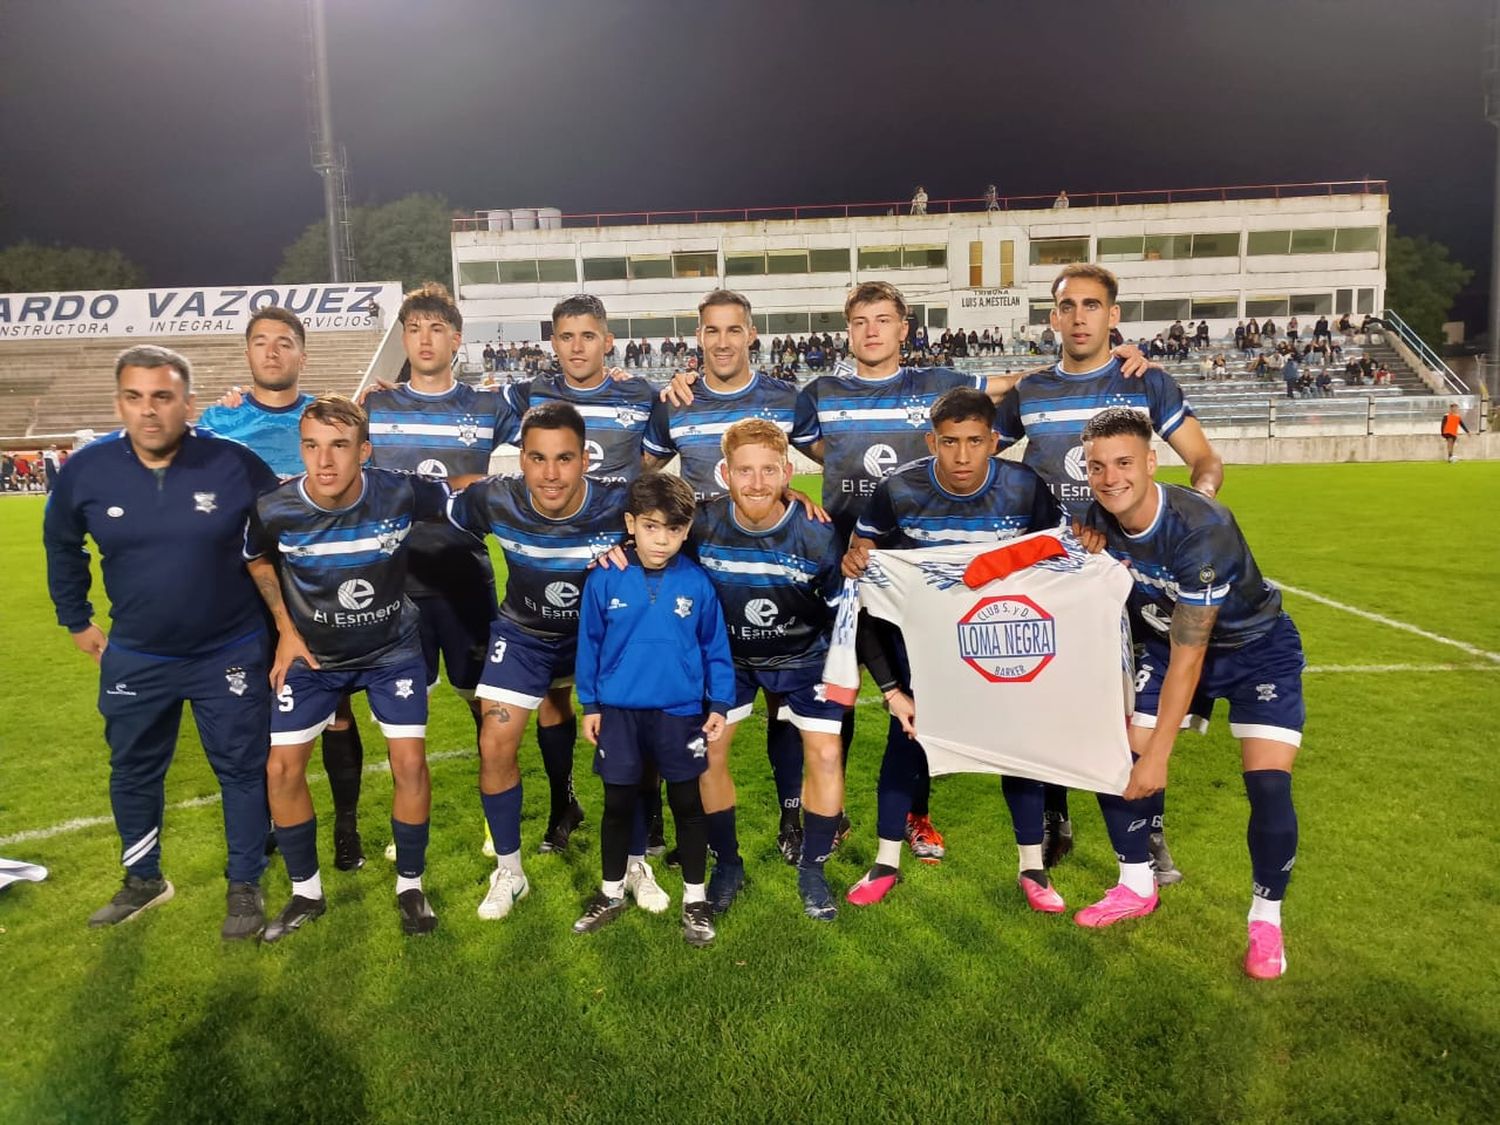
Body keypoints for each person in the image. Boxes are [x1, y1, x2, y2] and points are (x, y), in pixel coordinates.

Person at [994, 263, 1224, 880]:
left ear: (1113, 315)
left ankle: (1148, 834)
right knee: (1048, 702)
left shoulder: (1144, 382)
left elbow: (1203, 459)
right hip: (1054, 576)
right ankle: (1054, 818)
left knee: (1136, 710)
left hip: (1133, 580)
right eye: (1066, 306)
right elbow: (968, 443)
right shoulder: (1031, 393)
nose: (1078, 317)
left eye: (1091, 305)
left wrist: (1196, 516)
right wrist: (1001, 383)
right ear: (1053, 317)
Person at [42, 345, 280, 939]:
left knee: (242, 769)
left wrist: (286, 626)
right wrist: (76, 618)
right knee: (133, 771)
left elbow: (282, 539)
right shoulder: (86, 470)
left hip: (230, 647)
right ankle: (144, 879)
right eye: (135, 396)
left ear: (187, 403)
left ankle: (244, 884)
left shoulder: (236, 464)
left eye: (162, 396)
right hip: (139, 654)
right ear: (119, 402)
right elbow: (62, 543)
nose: (149, 411)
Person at [1079, 407, 1305, 980]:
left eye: (1125, 463)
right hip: (1164, 643)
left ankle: (1265, 919)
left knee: (1269, 784)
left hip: (1254, 648)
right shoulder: (1097, 515)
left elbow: (1191, 654)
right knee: (1118, 757)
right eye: (1098, 467)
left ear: (1152, 462)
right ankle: (1136, 882)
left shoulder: (1202, 531)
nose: (1111, 478)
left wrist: (1161, 757)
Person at [840, 388, 1068, 912]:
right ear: (931, 441)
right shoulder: (898, 490)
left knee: (1019, 751)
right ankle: (885, 862)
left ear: (994, 440)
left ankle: (1032, 869)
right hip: (925, 653)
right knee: (906, 746)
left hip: (1000, 645)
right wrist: (857, 560)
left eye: (974, 442)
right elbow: (868, 575)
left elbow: (1057, 560)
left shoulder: (1023, 486)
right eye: (949, 442)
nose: (962, 456)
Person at [246, 395, 448, 941]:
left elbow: (463, 493)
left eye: (339, 446)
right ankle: (305, 894)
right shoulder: (275, 509)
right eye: (312, 446)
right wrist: (285, 630)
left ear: (365, 450)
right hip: (314, 657)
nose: (324, 461)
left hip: (391, 650)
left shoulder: (402, 490)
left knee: (409, 762)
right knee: (281, 770)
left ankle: (411, 885)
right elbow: (257, 557)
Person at [448, 402, 638, 920]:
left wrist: (788, 496)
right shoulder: (493, 498)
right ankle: (510, 872)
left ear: (584, 460)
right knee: (496, 739)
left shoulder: (622, 503)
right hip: (525, 634)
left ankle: (636, 860)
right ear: (520, 461)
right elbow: (437, 497)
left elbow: (698, 511)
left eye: (564, 459)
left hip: (600, 636)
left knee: (633, 740)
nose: (551, 474)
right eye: (537, 459)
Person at [198, 307, 371, 868]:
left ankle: (347, 828)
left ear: (303, 354)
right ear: (247, 352)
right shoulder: (217, 422)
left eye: (284, 343)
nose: (272, 352)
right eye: (261, 342)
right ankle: (270, 823)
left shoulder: (324, 418)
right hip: (244, 587)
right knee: (255, 709)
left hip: (319, 583)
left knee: (337, 709)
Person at [641, 290, 807, 857]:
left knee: (784, 710)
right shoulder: (675, 404)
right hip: (699, 587)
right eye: (711, 331)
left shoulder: (788, 399)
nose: (723, 341)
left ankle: (793, 818)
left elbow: (844, 458)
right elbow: (633, 472)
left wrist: (806, 504)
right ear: (699, 338)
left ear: (752, 334)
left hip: (772, 580)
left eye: (733, 330)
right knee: (683, 708)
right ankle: (677, 819)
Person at [364, 283, 522, 864]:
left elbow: (556, 415)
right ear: (403, 339)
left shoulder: (488, 408)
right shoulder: (376, 408)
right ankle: (407, 824)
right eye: (414, 329)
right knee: (401, 717)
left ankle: (494, 818)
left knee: (483, 702)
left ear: (456, 340)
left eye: (436, 329)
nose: (425, 339)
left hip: (464, 577)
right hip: (393, 582)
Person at [689, 419, 849, 921]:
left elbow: (838, 610)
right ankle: (728, 865)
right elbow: (640, 521)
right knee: (709, 754)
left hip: (804, 657)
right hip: (728, 660)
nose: (756, 483)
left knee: (824, 754)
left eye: (768, 471)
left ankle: (813, 869)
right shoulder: (699, 523)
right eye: (744, 471)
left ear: (787, 472)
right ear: (724, 473)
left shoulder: (818, 533)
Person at [572, 473, 732, 945]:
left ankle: (696, 899)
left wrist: (719, 701)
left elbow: (714, 646)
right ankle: (610, 892)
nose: (662, 539)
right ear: (631, 524)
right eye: (650, 527)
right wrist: (590, 703)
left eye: (674, 529)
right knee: (618, 803)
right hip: (619, 712)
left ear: (687, 530)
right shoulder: (604, 577)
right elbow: (591, 644)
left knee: (687, 802)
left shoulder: (697, 582)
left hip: (680, 712)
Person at [509, 295, 667, 485]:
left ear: (607, 342)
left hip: (619, 514)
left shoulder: (642, 394)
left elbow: (665, 445)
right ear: (554, 344)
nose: (577, 348)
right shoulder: (532, 393)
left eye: (588, 336)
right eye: (567, 337)